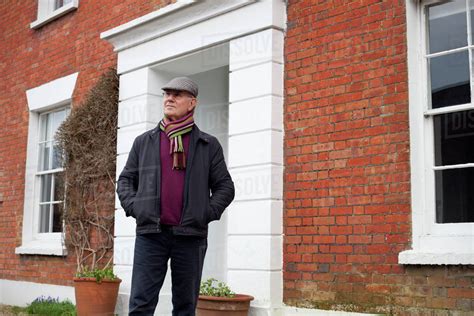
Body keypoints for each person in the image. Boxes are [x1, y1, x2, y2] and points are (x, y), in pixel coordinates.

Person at [116, 77, 235, 315]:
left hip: (190, 236)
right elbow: (126, 180)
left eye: (177, 94)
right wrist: (136, 207)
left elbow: (225, 187)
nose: (169, 98)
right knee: (140, 304)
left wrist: (205, 213)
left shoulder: (207, 145)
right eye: (167, 94)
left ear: (192, 103)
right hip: (151, 235)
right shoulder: (144, 142)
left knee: (184, 307)